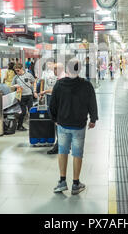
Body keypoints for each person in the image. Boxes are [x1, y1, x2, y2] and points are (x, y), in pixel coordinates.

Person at [49, 59, 98, 195]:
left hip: (63, 124)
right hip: (79, 125)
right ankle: (76, 184)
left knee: (62, 151)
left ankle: (62, 181)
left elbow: (52, 105)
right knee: (77, 153)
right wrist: (93, 119)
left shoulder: (59, 84)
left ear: (67, 69)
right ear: (79, 70)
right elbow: (92, 103)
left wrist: (55, 119)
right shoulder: (86, 85)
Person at [39, 62, 58, 155]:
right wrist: (41, 93)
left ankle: (60, 143)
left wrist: (44, 91)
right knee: (52, 118)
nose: (49, 65)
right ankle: (57, 141)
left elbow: (57, 88)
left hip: (56, 96)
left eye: (51, 63)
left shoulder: (57, 73)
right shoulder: (44, 73)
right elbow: (42, 83)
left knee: (56, 119)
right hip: (48, 96)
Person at [11, 63, 36, 131]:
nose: (17, 72)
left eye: (18, 70)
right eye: (16, 71)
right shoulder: (16, 77)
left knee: (31, 111)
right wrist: (15, 86)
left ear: (22, 69)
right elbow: (11, 86)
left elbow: (34, 82)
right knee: (23, 112)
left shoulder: (28, 75)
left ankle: (34, 125)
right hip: (21, 96)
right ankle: (19, 126)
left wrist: (34, 91)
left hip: (29, 95)